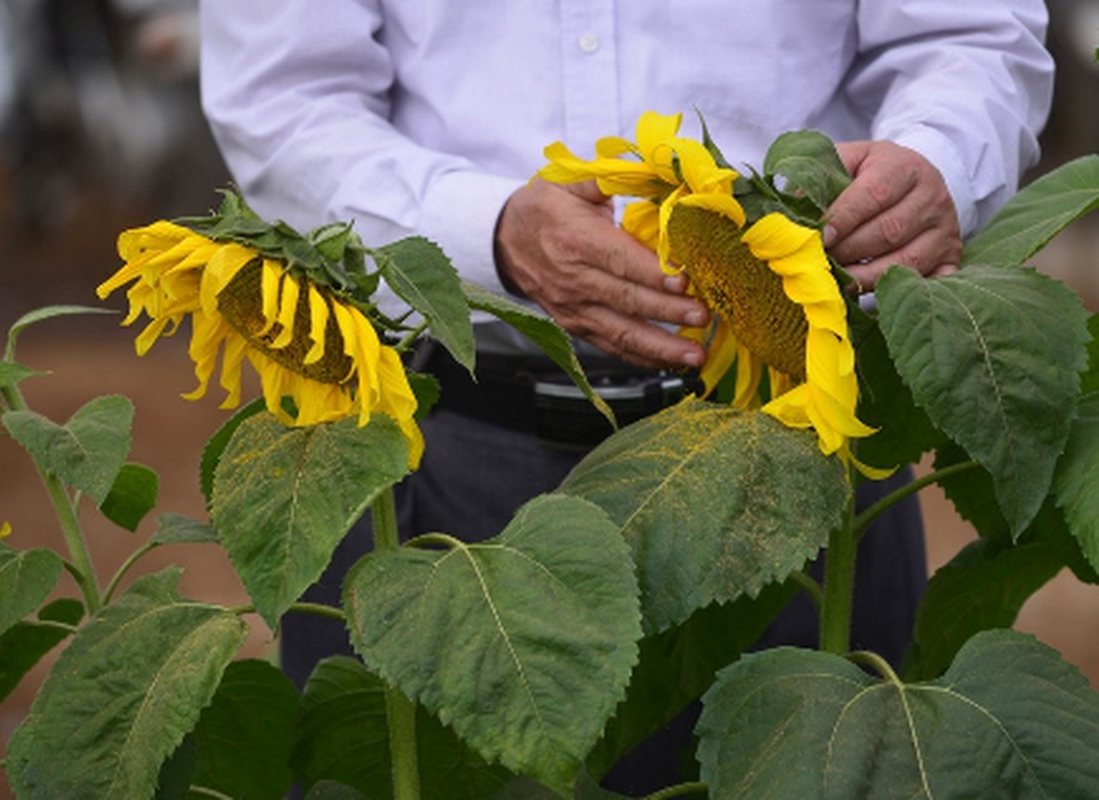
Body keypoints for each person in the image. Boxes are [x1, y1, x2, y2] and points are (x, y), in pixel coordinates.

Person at [199, 2, 1053, 792]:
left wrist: (940, 156)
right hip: (442, 439)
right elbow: (283, 98)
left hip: (806, 435)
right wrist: (480, 231)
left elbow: (969, 34)